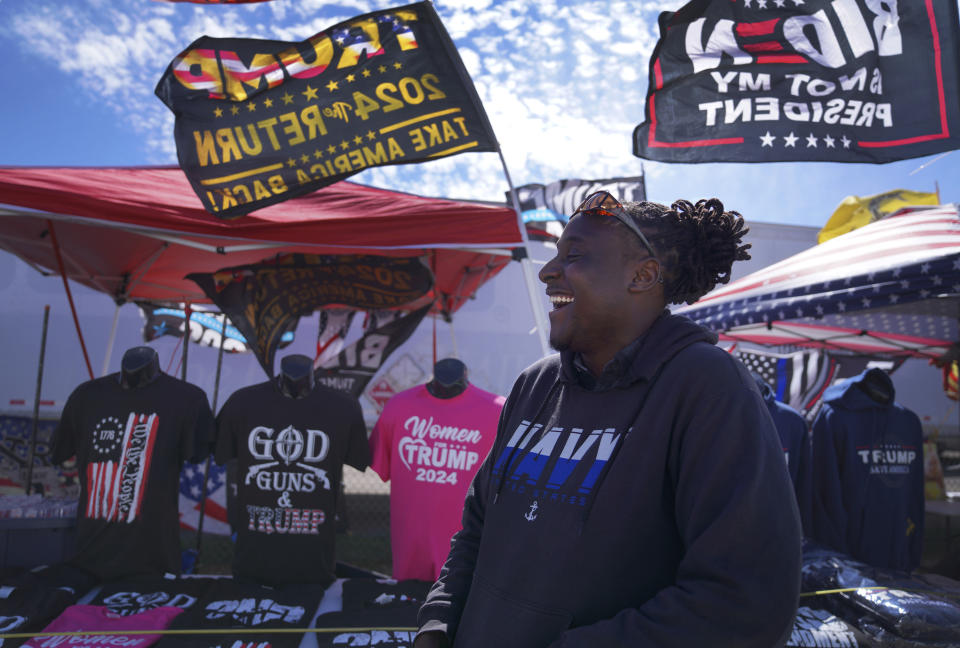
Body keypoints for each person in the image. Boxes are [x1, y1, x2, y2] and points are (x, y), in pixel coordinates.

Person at [414, 192, 803, 648]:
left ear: (643, 275)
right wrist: (438, 624)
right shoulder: (535, 384)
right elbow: (477, 531)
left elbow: (745, 603)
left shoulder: (708, 386)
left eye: (574, 255)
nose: (547, 272)